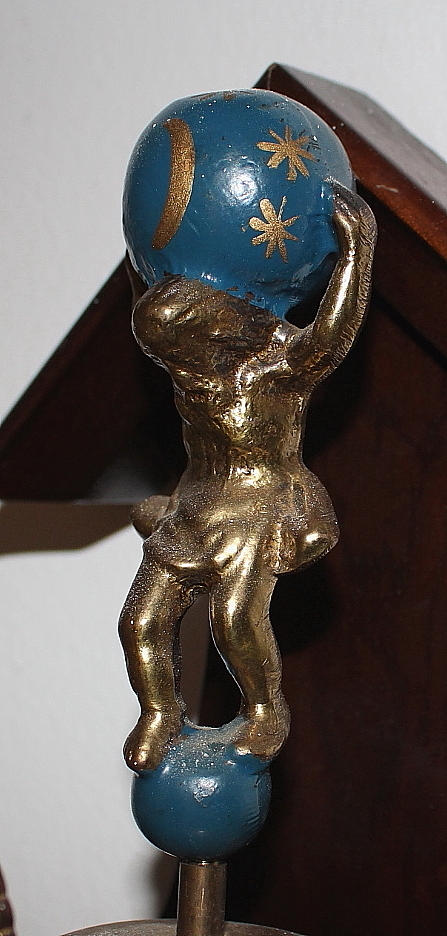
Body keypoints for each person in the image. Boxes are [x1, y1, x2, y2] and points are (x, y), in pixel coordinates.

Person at [119, 183, 377, 771]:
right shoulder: (188, 373)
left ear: (209, 335)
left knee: (234, 619)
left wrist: (357, 253)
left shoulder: (271, 369)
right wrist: (139, 252)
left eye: (180, 355)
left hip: (258, 504)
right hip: (195, 504)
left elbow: (329, 340)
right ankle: (159, 711)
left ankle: (264, 709)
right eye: (167, 359)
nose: (177, 369)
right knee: (141, 621)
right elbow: (144, 308)